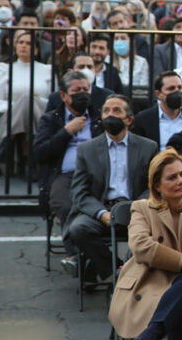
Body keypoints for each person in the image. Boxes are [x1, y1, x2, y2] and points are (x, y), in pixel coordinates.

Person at [108, 148, 182, 340]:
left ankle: (151, 333)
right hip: (150, 287)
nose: (181, 181)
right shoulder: (142, 209)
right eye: (172, 177)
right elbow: (140, 246)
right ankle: (155, 329)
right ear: (157, 186)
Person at [66, 95, 159, 282]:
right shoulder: (87, 149)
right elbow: (79, 191)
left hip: (135, 208)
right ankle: (118, 272)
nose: (110, 115)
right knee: (78, 229)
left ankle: (124, 275)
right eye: (106, 111)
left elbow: (154, 187)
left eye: (117, 111)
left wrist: (135, 208)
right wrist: (101, 213)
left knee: (155, 229)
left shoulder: (148, 147)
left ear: (129, 120)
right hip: (102, 209)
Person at [33, 71, 105, 271]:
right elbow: (40, 152)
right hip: (64, 176)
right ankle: (80, 256)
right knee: (66, 207)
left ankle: (80, 260)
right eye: (76, 91)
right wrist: (66, 132)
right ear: (64, 95)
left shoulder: (99, 117)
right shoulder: (51, 119)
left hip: (95, 176)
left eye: (86, 90)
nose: (83, 94)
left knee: (95, 209)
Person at [0, 30, 52, 164]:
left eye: (29, 43)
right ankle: (30, 160)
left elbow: (53, 101)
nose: (24, 46)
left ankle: (6, 144)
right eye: (21, 42)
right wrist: (18, 106)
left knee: (27, 100)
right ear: (15, 47)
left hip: (40, 114)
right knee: (25, 101)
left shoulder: (47, 70)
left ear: (36, 50)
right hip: (10, 115)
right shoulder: (4, 69)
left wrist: (33, 100)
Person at [131, 72, 182, 151]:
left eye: (179, 87)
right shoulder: (143, 120)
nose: (177, 92)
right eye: (171, 88)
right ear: (158, 94)